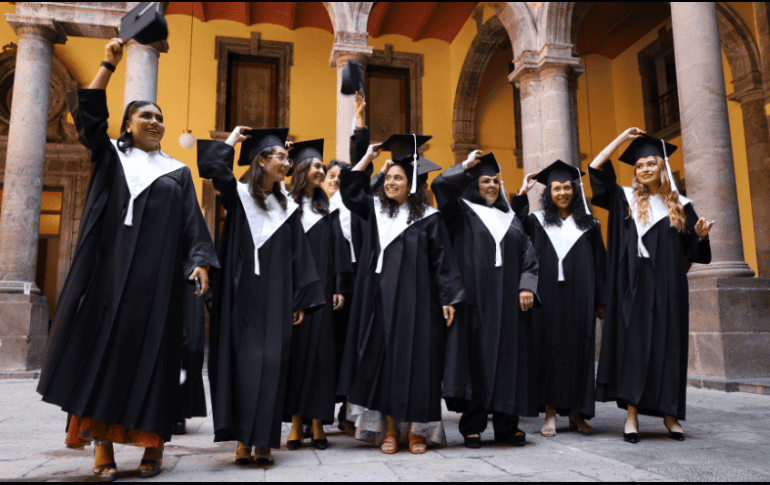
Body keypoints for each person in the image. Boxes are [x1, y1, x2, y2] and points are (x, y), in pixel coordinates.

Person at [37, 38, 218, 480]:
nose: (155, 122)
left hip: (157, 287)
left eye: (160, 117)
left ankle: (152, 445)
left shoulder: (176, 173)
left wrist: (199, 260)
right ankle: (102, 446)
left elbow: (195, 225)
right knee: (104, 358)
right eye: (146, 116)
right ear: (128, 123)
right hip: (109, 281)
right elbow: (88, 117)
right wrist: (108, 64)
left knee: (155, 361)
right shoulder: (110, 157)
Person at [198, 126, 325, 465]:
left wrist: (302, 299)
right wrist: (232, 140)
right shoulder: (237, 195)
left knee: (272, 364)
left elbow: (301, 256)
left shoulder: (288, 208)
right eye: (282, 157)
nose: (288, 163)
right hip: (240, 297)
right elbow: (213, 166)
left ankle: (265, 439)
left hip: (276, 298)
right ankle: (243, 439)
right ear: (262, 161)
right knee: (241, 365)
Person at [336, 134, 465, 454]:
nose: (391, 182)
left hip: (419, 303)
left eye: (398, 178)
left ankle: (418, 432)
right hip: (380, 301)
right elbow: (351, 190)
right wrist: (368, 159)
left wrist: (448, 298)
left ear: (411, 184)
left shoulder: (428, 218)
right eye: (388, 178)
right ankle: (391, 431)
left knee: (419, 363)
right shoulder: (375, 209)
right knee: (386, 363)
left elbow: (443, 261)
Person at [589, 128, 714, 443]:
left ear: (663, 169)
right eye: (639, 165)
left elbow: (694, 254)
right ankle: (631, 417)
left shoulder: (682, 205)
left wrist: (700, 235)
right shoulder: (624, 198)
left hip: (670, 287)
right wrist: (621, 140)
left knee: (668, 348)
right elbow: (595, 168)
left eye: (650, 164)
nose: (644, 169)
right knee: (634, 348)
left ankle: (670, 416)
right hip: (633, 287)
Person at [432, 151, 539, 449]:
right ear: (473, 184)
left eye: (495, 180)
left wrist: (527, 286)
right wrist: (465, 166)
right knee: (474, 361)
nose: (491, 185)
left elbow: (530, 256)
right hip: (474, 303)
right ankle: (473, 426)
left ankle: (508, 427)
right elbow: (440, 186)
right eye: (485, 180)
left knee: (509, 361)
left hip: (509, 305)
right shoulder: (461, 211)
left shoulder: (512, 220)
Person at [512, 160, 607, 438]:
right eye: (556, 188)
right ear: (548, 193)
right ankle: (551, 413)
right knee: (549, 350)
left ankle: (577, 414)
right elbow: (520, 246)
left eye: (567, 187)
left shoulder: (589, 224)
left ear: (574, 191)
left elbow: (601, 263)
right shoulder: (536, 221)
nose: (562, 192)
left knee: (581, 351)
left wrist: (601, 300)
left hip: (581, 295)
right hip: (547, 295)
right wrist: (521, 193)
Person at [284, 139, 354, 450]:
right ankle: (297, 421)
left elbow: (340, 249)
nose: (321, 171)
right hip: (293, 291)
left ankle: (317, 421)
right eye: (316, 167)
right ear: (300, 171)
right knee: (296, 355)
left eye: (322, 168)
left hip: (324, 292)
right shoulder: (285, 207)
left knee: (322, 356)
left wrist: (339, 285)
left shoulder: (328, 210)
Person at [172, 284, 211, 436]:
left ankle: (180, 410)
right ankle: (167, 411)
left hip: (190, 273)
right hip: (157, 267)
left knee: (191, 346)